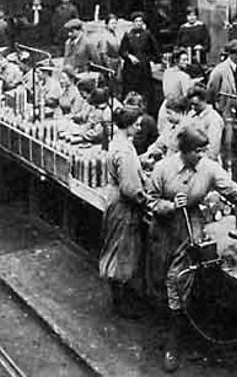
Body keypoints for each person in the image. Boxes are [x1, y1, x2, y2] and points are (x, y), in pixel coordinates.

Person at [146, 126, 237, 372]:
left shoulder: (209, 168)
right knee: (162, 279)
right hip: (163, 228)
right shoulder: (163, 168)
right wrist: (169, 205)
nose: (202, 155)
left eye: (203, 150)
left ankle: (174, 344)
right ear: (184, 152)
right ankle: (171, 330)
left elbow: (233, 190)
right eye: (197, 151)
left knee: (177, 280)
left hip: (191, 225)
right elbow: (149, 200)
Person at [98, 105, 151, 319]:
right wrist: (147, 200)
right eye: (137, 125)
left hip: (113, 199)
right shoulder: (125, 150)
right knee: (123, 250)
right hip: (123, 206)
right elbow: (130, 188)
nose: (139, 128)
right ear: (127, 125)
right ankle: (121, 303)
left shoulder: (119, 143)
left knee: (116, 248)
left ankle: (120, 297)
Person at [120, 12, 160, 110]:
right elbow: (122, 51)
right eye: (136, 21)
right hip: (131, 69)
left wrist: (152, 60)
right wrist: (129, 56)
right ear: (132, 23)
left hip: (144, 68)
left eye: (140, 21)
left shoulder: (147, 34)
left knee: (146, 91)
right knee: (131, 90)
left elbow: (155, 50)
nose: (138, 23)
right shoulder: (128, 35)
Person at [142, 96, 190, 168]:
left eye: (169, 113)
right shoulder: (170, 126)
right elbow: (160, 142)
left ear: (181, 112)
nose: (167, 116)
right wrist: (148, 153)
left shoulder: (187, 129)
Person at [158, 49, 195, 133]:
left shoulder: (167, 72)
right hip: (176, 110)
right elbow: (186, 96)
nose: (187, 62)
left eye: (187, 59)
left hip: (165, 108)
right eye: (184, 60)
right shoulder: (184, 76)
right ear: (176, 61)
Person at [186, 85, 224, 161]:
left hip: (205, 161)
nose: (193, 107)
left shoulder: (213, 118)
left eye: (196, 104)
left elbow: (213, 150)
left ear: (204, 100)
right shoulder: (191, 114)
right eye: (191, 104)